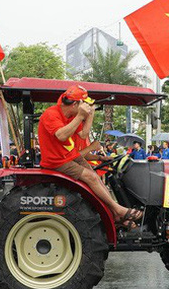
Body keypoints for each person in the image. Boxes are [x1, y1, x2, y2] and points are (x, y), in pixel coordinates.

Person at [37, 85, 142, 227]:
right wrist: (81, 116)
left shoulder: (72, 116)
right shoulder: (51, 114)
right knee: (91, 177)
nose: (87, 106)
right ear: (75, 104)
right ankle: (118, 210)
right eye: (84, 103)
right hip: (56, 161)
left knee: (96, 179)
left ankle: (115, 214)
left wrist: (90, 115)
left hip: (69, 156)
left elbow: (83, 134)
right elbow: (61, 136)